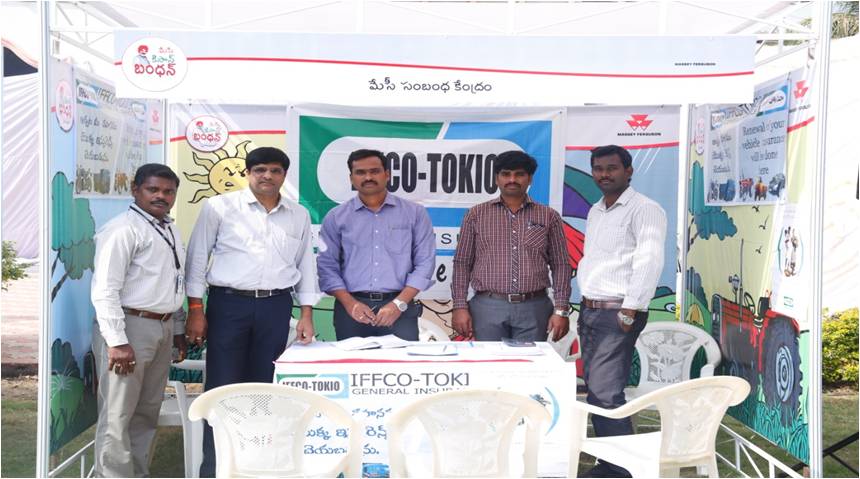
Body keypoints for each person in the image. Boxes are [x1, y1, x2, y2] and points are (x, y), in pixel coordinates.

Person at [184, 146, 318, 477]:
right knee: (222, 388)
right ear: (247, 173)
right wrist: (196, 308)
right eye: (259, 170)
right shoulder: (219, 207)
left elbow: (306, 264)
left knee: (265, 389)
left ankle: (257, 466)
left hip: (276, 306)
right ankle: (215, 469)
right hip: (228, 305)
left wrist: (307, 313)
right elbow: (197, 257)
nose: (267, 176)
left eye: (275, 170)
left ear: (284, 175)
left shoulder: (298, 214)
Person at [91, 163, 187, 477]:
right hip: (130, 327)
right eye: (153, 189)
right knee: (118, 414)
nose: (161, 196)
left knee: (147, 411)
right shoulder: (123, 230)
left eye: (168, 191)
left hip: (162, 326)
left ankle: (138, 473)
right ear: (135, 190)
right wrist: (117, 342)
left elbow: (172, 281)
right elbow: (105, 289)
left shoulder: (168, 227)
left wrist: (177, 329)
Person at [576, 145, 666, 478]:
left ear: (628, 171)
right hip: (592, 310)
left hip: (618, 312)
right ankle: (611, 461)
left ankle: (620, 469)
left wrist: (630, 309)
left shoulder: (645, 209)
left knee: (605, 393)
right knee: (598, 391)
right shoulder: (596, 210)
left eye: (612, 168)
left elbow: (649, 260)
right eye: (598, 169)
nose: (604, 174)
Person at [451, 150, 572, 342]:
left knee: (529, 361)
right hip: (487, 307)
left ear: (530, 178)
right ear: (496, 178)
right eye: (506, 174)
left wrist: (561, 309)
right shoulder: (476, 215)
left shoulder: (548, 216)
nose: (512, 180)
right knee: (490, 360)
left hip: (534, 308)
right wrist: (459, 306)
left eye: (519, 174)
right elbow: (462, 263)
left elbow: (561, 265)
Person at [317, 149, 435, 340]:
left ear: (387, 174)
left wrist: (398, 304)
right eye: (360, 172)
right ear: (351, 178)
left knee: (401, 360)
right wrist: (350, 304)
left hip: (400, 308)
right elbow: (327, 266)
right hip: (351, 310)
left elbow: (425, 262)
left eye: (374, 171)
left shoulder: (414, 213)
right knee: (351, 359)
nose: (368, 177)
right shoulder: (336, 217)